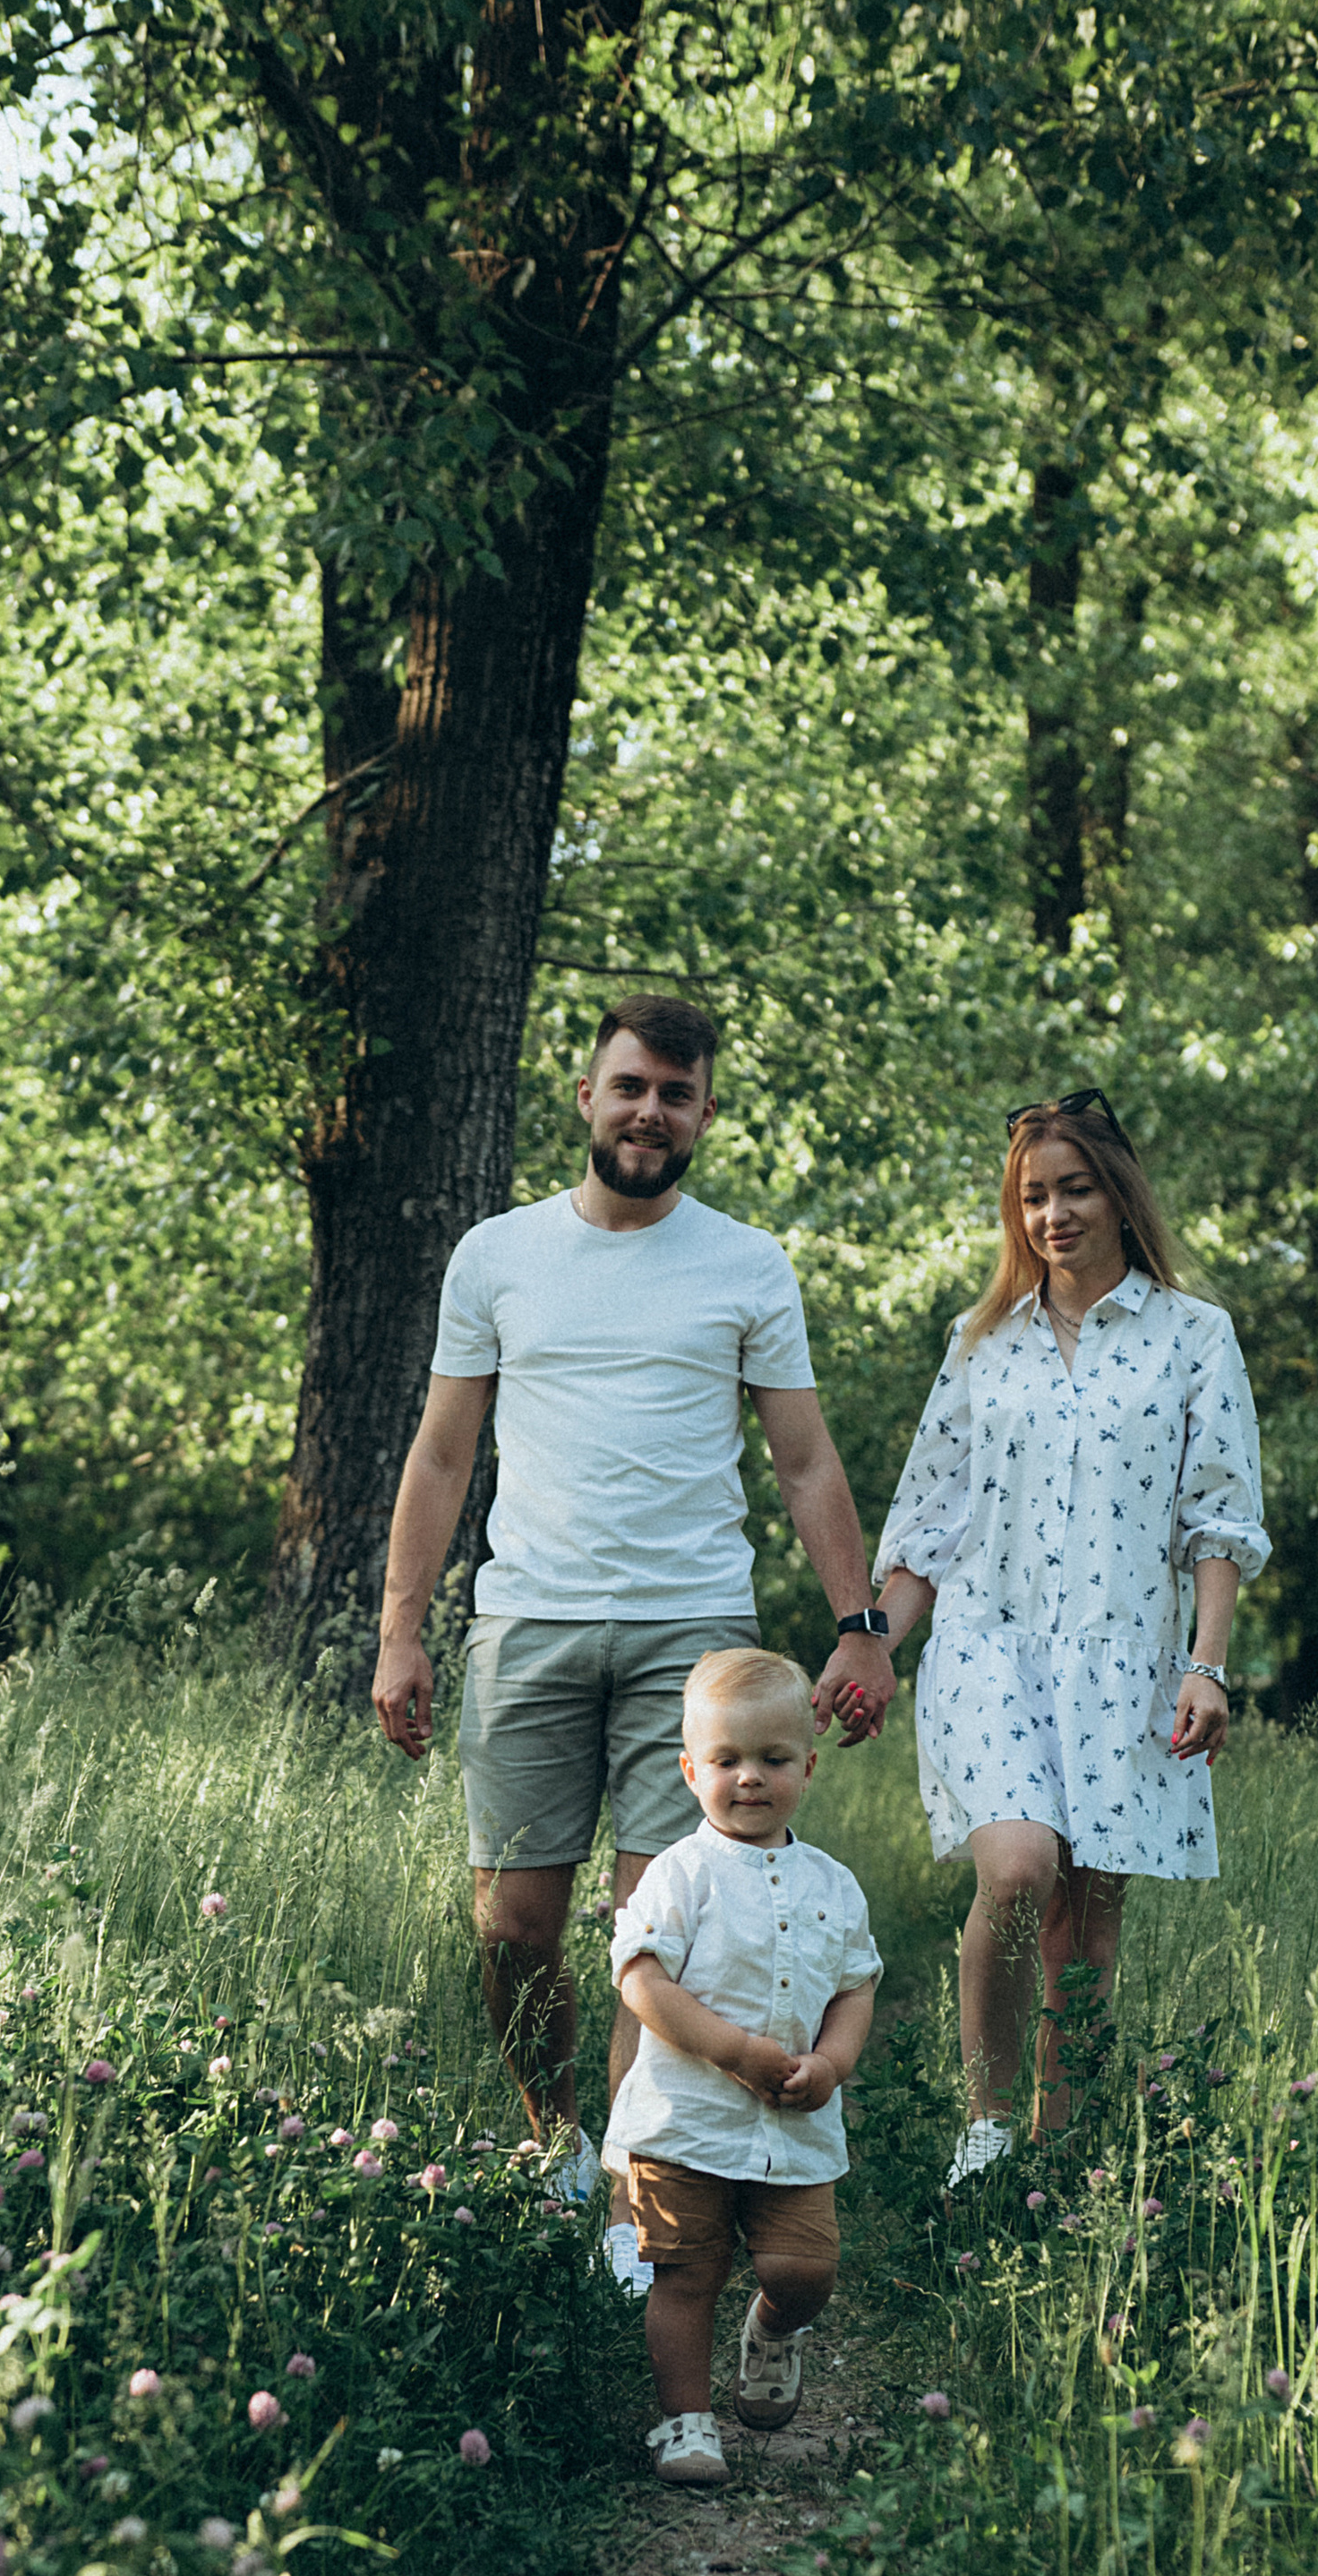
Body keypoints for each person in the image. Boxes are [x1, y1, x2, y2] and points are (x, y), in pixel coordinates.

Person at [371, 994, 897, 2231]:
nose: (649, 1111)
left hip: (692, 1637)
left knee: (652, 1927)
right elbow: (441, 1454)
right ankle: (553, 2136)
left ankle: (629, 2197)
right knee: (512, 1928)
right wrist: (402, 1627)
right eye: (630, 1087)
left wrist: (860, 1623)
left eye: (675, 1093)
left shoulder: (747, 1262)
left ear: (704, 1113)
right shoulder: (496, 1255)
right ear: (588, 1096)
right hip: (527, 1624)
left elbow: (805, 1461)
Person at [857, 1090, 1268, 2183]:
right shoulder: (981, 1340)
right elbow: (928, 1521)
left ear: (1120, 1195)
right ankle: (986, 2132)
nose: (1052, 1214)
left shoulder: (1194, 1336)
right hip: (988, 1644)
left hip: (1125, 1658)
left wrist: (1207, 1666)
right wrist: (873, 1646)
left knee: (1082, 1935)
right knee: (1019, 1869)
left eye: (1074, 1189)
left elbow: (1218, 1517)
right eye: (1032, 1196)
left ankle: (1056, 2156)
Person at [607, 1647, 881, 2486]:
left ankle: (772, 2325)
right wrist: (731, 2049)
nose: (750, 1777)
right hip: (686, 2117)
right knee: (687, 2273)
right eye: (726, 1759)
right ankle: (685, 2421)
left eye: (772, 1758)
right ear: (691, 1771)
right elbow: (641, 1979)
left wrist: (833, 2061)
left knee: (804, 2268)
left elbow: (855, 1985)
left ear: (808, 1767)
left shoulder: (834, 1883)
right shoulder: (680, 1873)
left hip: (793, 2123)